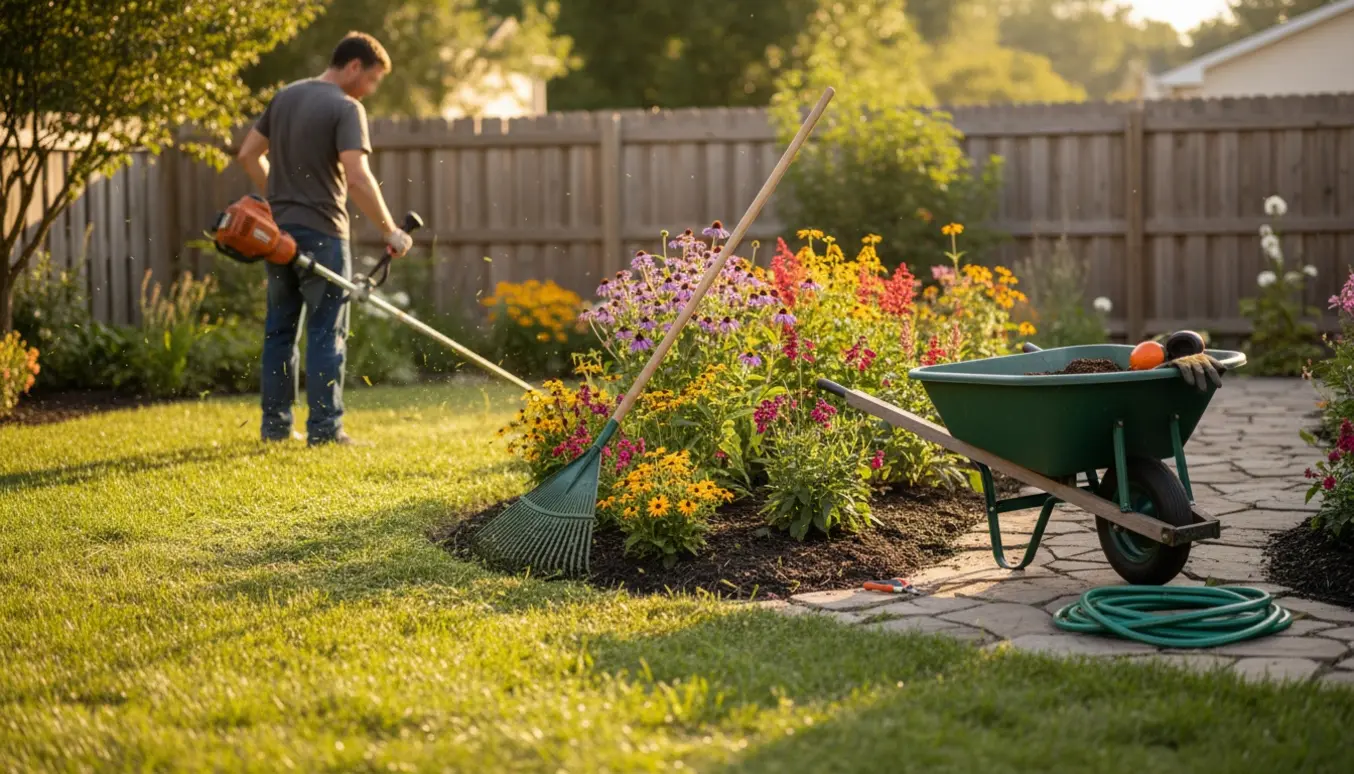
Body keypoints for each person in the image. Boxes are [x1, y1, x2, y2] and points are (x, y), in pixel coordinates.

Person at [235, 31, 412, 446]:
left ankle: (275, 429)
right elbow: (358, 177)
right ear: (353, 66)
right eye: (371, 80)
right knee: (325, 331)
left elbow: (247, 154)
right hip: (323, 235)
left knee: (279, 331)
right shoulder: (345, 107)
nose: (370, 90)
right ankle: (325, 430)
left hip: (277, 237)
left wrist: (278, 204)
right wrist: (392, 231)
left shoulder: (285, 97)